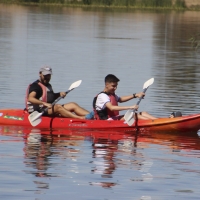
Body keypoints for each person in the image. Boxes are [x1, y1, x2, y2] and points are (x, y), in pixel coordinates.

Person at [25, 66, 94, 119]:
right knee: (58, 107)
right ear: (40, 74)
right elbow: (30, 98)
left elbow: (49, 97)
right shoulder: (35, 86)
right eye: (45, 75)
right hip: (38, 111)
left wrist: (59, 94)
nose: (47, 77)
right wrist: (44, 103)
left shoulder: (48, 85)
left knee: (73, 104)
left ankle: (92, 116)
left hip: (47, 108)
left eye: (49, 75)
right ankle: (80, 118)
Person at [93, 74, 157, 120]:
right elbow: (111, 108)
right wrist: (130, 107)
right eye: (113, 86)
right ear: (106, 85)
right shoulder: (102, 96)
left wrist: (135, 95)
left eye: (116, 86)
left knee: (143, 113)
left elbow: (120, 99)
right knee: (132, 115)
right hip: (107, 121)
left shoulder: (111, 94)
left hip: (114, 118)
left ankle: (158, 121)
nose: (115, 88)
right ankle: (155, 123)